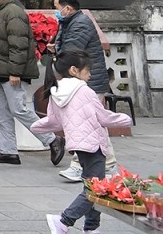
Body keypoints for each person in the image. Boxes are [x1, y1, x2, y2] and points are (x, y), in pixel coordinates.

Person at [31, 49, 132, 234]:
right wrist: (125, 119)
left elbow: (53, 121)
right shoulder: (84, 90)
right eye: (87, 70)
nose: (90, 74)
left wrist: (35, 127)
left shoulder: (56, 91)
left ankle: (91, 228)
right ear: (74, 70)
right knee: (96, 189)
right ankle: (64, 220)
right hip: (93, 144)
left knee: (92, 185)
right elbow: (103, 117)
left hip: (79, 145)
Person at [0, 0, 63, 165]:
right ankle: (8, 151)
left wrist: (15, 72)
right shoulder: (3, 12)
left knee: (19, 109)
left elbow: (19, 45)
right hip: (0, 71)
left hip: (10, 72)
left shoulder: (13, 12)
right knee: (2, 112)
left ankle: (52, 139)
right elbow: (4, 42)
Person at [50, 0, 116, 182]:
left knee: (86, 124)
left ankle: (81, 166)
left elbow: (71, 51)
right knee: (93, 125)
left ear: (67, 8)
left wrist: (58, 52)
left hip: (89, 80)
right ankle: (108, 165)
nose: (56, 12)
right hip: (84, 80)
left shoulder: (80, 24)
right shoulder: (71, 22)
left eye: (57, 8)